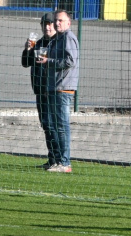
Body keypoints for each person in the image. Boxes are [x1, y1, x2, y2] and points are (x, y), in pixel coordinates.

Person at [35, 9, 78, 174]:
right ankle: (56, 160)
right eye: (56, 21)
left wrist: (48, 61)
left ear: (68, 22)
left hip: (63, 88)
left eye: (60, 20)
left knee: (61, 127)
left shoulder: (68, 37)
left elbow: (70, 61)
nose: (57, 23)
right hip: (54, 88)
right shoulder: (57, 39)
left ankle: (65, 163)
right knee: (54, 126)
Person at [21, 13, 55, 170]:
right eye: (44, 24)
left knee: (53, 125)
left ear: (55, 25)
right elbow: (26, 63)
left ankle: (59, 159)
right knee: (46, 125)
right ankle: (52, 159)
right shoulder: (40, 43)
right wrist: (28, 49)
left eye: (49, 24)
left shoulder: (58, 43)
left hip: (54, 91)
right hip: (40, 90)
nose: (47, 27)